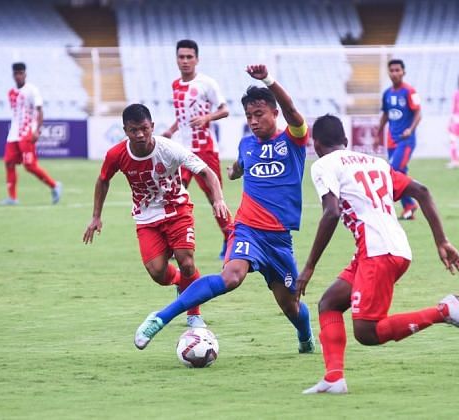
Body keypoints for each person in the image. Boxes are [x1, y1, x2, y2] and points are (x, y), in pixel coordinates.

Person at [134, 65, 314, 353]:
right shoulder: (246, 144)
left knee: (291, 306)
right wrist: (234, 172)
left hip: (279, 240)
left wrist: (268, 80)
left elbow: (291, 109)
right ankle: (160, 318)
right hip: (248, 231)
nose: (253, 121)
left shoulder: (293, 140)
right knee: (231, 277)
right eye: (249, 116)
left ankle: (305, 337)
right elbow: (242, 165)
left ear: (274, 113)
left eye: (260, 114)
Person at [298, 115, 459, 394]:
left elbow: (331, 212)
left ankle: (444, 311)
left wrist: (309, 267)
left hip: (378, 252)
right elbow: (422, 191)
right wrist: (441, 241)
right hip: (388, 248)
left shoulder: (323, 164)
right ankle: (334, 378)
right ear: (346, 142)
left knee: (367, 332)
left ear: (316, 144)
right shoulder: (376, 163)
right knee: (330, 303)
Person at [83, 104, 229, 329]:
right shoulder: (116, 154)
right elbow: (103, 180)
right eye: (133, 130)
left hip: (177, 210)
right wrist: (96, 216)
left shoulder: (169, 149)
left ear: (152, 126)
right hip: (146, 218)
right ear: (125, 130)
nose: (140, 134)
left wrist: (218, 199)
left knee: (187, 261)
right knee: (158, 273)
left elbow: (206, 172)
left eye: (144, 128)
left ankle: (194, 315)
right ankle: (183, 282)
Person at [162, 39, 232, 259]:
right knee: (174, 195)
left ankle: (230, 238)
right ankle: (176, 243)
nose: (185, 61)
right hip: (180, 151)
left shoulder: (207, 84)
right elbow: (182, 116)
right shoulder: (175, 85)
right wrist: (171, 130)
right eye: (181, 57)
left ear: (197, 59)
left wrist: (207, 117)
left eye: (189, 57)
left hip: (204, 150)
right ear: (176, 59)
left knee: (214, 198)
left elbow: (225, 110)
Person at [0, 62, 62, 205]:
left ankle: (54, 185)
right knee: (8, 163)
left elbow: (39, 111)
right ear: (13, 75)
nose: (19, 76)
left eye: (21, 73)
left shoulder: (32, 90)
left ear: (25, 74)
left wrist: (37, 130)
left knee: (30, 166)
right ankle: (12, 198)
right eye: (16, 73)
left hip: (27, 132)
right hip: (13, 133)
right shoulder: (11, 92)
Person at [375, 59, 422, 220]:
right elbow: (386, 115)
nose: (394, 73)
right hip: (391, 141)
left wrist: (410, 129)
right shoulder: (387, 94)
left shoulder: (410, 92)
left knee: (393, 171)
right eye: (392, 70)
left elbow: (418, 113)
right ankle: (408, 206)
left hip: (406, 141)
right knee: (398, 172)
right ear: (388, 73)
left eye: (397, 70)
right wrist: (378, 134)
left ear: (403, 72)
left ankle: (413, 200)